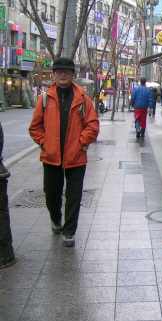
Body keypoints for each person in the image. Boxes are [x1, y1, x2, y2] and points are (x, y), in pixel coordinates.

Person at [29, 57, 99, 247]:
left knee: (74, 196)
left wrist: (81, 143)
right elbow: (35, 127)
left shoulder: (83, 99)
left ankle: (69, 231)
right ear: (54, 74)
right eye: (59, 71)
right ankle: (56, 219)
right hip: (51, 157)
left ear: (72, 75)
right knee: (51, 193)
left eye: (66, 71)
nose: (62, 74)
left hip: (76, 156)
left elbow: (92, 125)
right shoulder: (45, 98)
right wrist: (45, 142)